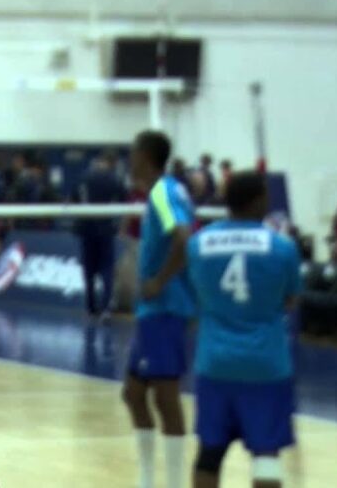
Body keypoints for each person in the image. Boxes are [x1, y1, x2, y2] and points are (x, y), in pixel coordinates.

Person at [187, 171, 300, 488]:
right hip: (266, 365)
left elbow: (196, 292)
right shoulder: (282, 247)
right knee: (266, 454)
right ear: (258, 200)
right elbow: (290, 298)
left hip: (215, 362)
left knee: (210, 452)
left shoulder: (199, 244)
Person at [122, 130, 196, 488]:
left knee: (166, 397)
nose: (130, 159)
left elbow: (183, 236)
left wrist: (159, 280)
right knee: (133, 393)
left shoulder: (163, 191)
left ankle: (173, 483)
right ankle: (148, 479)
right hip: (151, 312)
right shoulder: (168, 190)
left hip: (165, 308)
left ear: (146, 156)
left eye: (133, 152)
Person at [76, 151, 127, 320]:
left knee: (89, 270)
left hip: (87, 227)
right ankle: (106, 307)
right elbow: (124, 201)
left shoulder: (84, 177)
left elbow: (75, 199)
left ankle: (91, 307)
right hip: (105, 228)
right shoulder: (114, 180)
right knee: (107, 269)